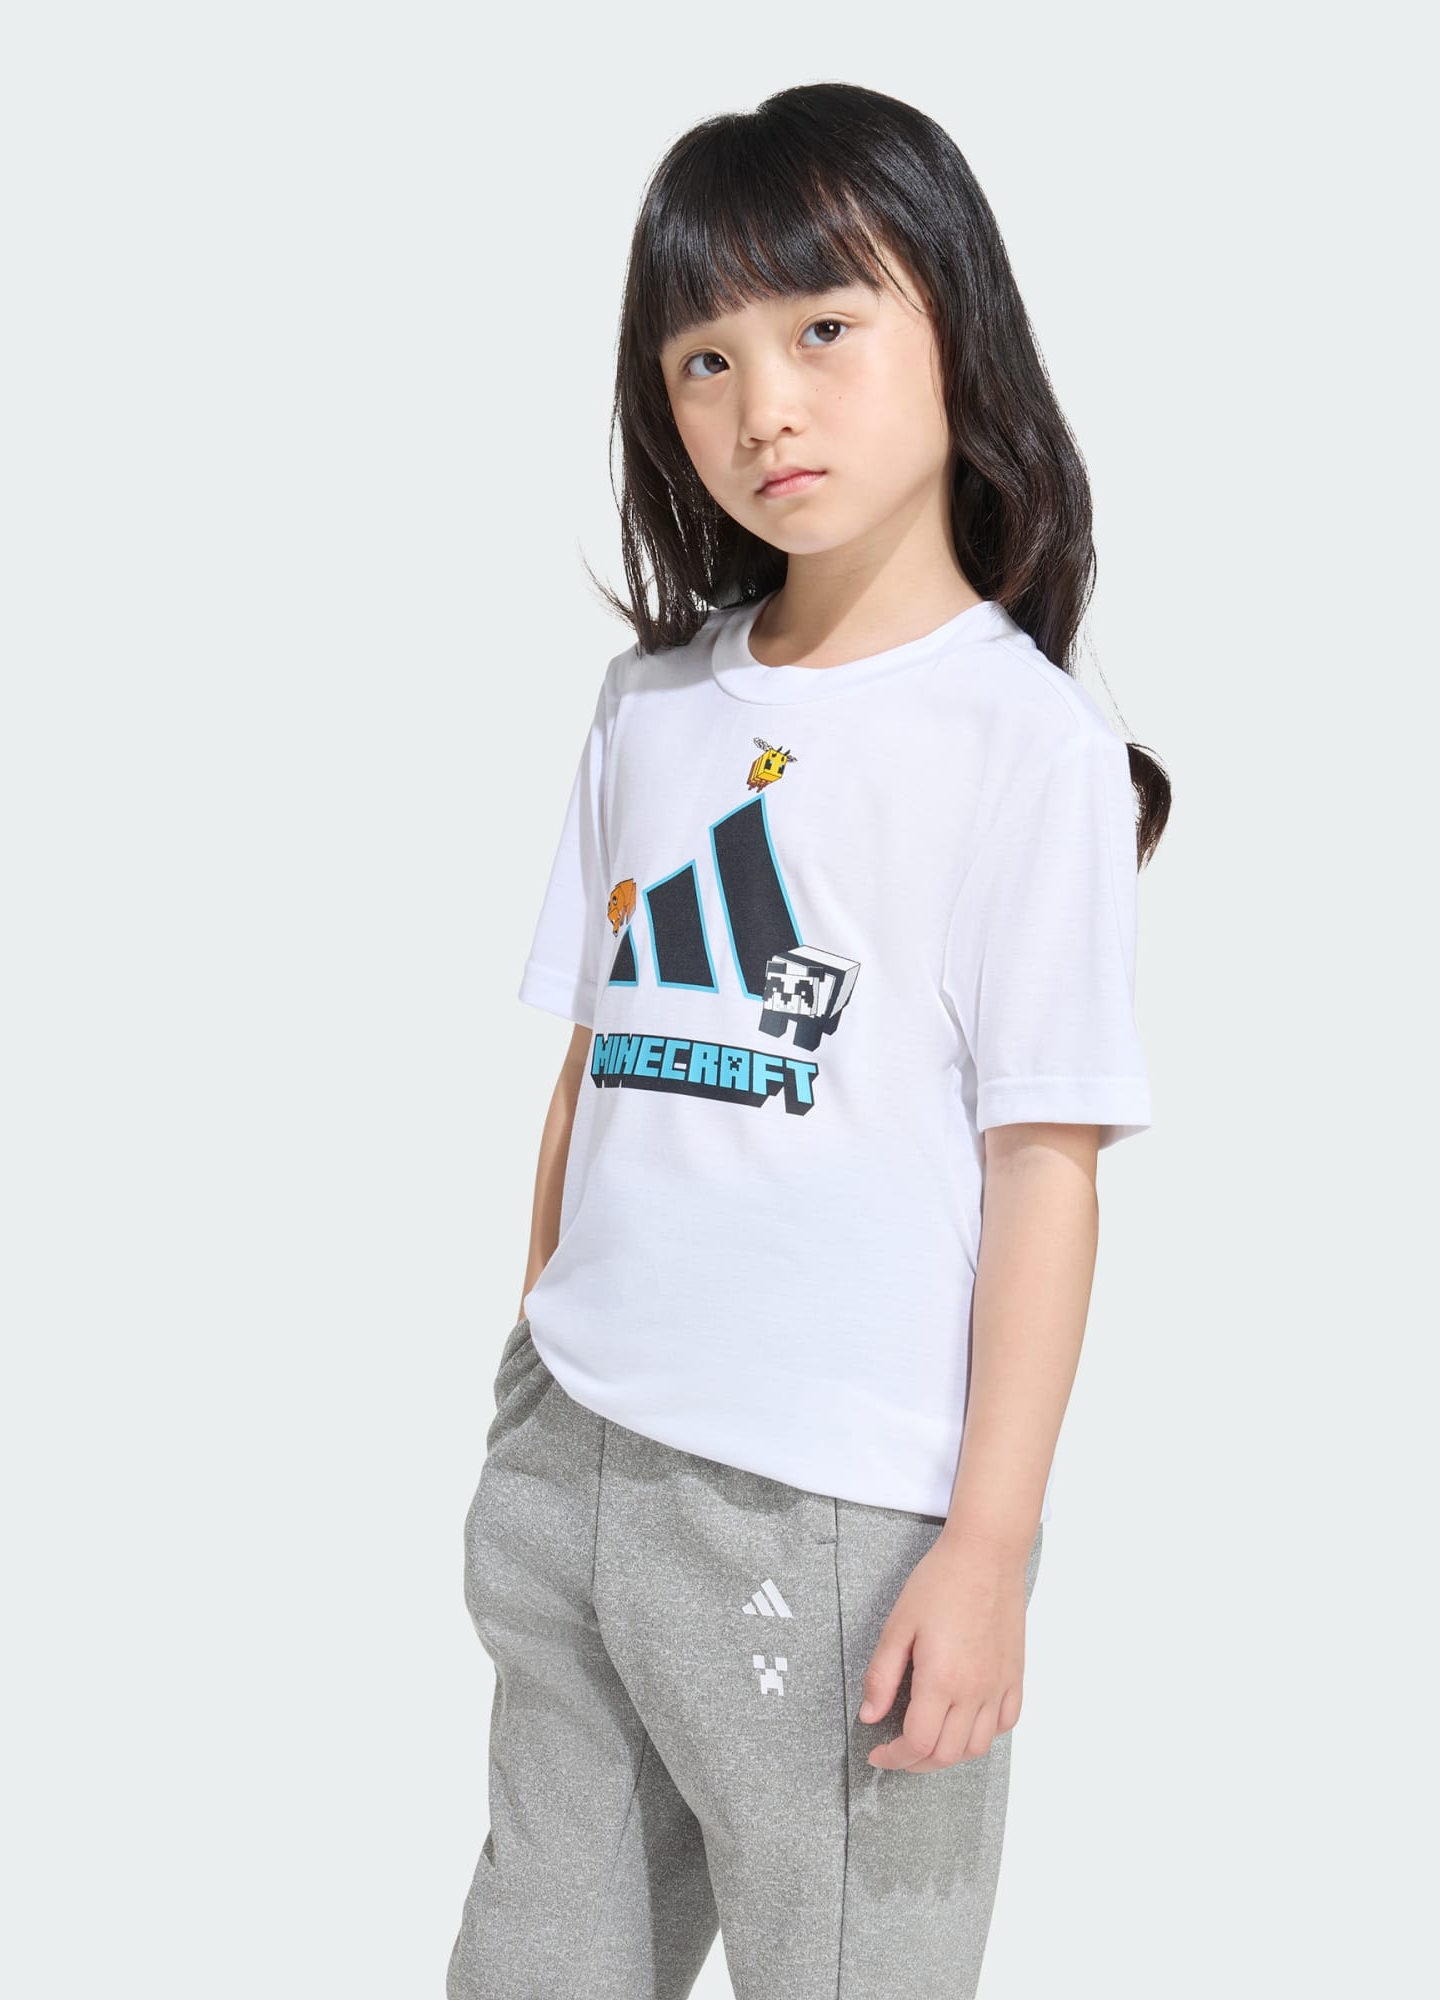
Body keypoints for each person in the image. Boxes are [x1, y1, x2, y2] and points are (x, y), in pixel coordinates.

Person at [448, 80, 1169, 2000]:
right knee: (533, 1960)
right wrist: (542, 1356)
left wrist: (989, 1544)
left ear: (958, 323)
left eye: (823, 328)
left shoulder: (1025, 749)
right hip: (577, 1454)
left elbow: (1047, 1173)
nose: (763, 404)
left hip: (830, 1521)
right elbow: (594, 1067)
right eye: (705, 359)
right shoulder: (648, 708)